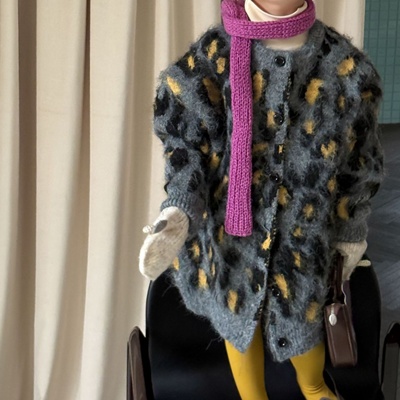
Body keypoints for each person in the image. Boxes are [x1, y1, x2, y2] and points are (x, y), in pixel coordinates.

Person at [139, 0, 384, 399]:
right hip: (231, 241)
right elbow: (185, 141)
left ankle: (315, 389)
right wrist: (179, 209)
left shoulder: (347, 70)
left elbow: (361, 162)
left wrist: (351, 231)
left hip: (304, 245)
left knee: (307, 344)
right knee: (239, 325)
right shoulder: (212, 58)